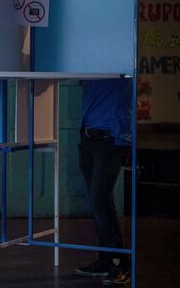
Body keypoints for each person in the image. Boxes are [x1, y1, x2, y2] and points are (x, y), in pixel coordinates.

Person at [76, 78, 132, 287]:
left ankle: (121, 262)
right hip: (88, 137)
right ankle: (106, 259)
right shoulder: (88, 65)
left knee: (100, 200)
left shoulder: (118, 59)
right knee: (97, 201)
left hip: (110, 138)